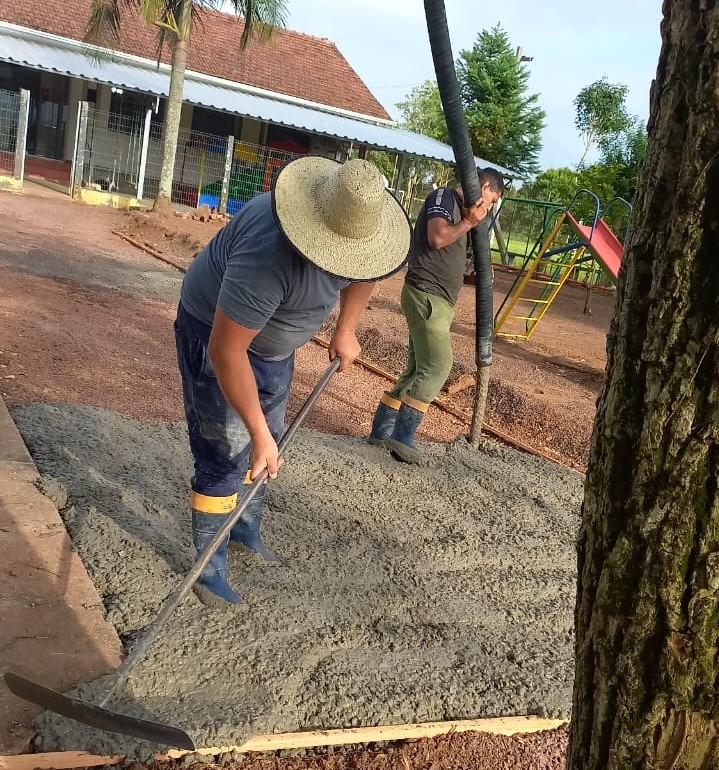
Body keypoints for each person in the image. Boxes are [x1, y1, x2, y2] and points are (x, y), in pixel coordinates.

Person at [175, 156, 411, 607]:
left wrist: (345, 330)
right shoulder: (268, 255)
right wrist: (257, 433)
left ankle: (245, 531)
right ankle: (209, 570)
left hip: (274, 345)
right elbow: (227, 351)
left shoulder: (360, 235)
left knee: (270, 443)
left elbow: (364, 272)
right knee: (226, 451)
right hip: (214, 332)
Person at [367, 167, 505, 464]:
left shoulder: (463, 215)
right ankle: (402, 438)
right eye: (491, 200)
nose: (489, 208)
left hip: (435, 297)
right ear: (482, 186)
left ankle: (381, 430)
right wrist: (468, 222)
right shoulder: (444, 198)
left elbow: (450, 258)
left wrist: (473, 273)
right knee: (439, 366)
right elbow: (438, 238)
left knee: (417, 368)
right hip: (426, 294)